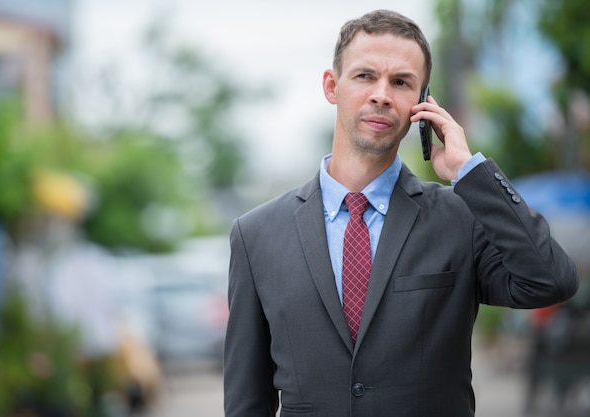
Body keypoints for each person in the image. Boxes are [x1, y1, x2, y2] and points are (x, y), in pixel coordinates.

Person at [224, 9, 579, 417]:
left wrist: (470, 173)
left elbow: (550, 281)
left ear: (422, 104)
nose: (382, 94)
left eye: (401, 82)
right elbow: (247, 401)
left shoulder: (460, 217)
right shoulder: (256, 235)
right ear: (331, 86)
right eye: (364, 76)